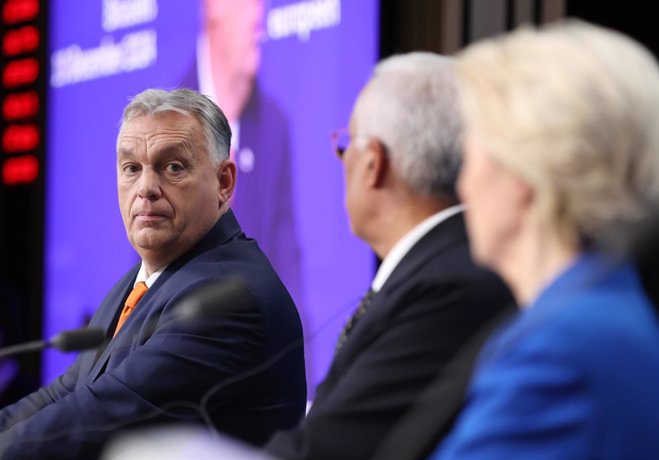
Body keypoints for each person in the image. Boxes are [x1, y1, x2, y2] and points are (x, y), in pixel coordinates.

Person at [0, 89, 306, 459]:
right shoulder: (141, 281)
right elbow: (63, 393)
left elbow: (97, 418)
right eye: (131, 168)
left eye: (173, 167)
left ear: (224, 182)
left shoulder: (230, 297)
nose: (145, 188)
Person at [431, 20, 659, 459]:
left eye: (471, 153)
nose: (463, 185)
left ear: (523, 172)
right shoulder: (600, 317)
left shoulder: (561, 352)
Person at [264, 52, 514, 460]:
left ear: (373, 164)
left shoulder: (448, 288)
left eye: (345, 145)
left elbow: (327, 450)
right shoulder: (446, 268)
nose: (341, 162)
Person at [184, 0, 304, 314]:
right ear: (212, 8)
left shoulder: (274, 125)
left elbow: (288, 271)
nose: (258, 14)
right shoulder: (165, 121)